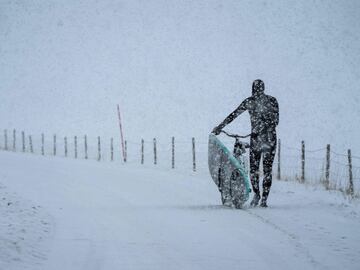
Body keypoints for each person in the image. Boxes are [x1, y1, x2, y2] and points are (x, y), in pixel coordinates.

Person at [212, 79, 279, 207]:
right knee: (260, 170)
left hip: (262, 139)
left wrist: (221, 126)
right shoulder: (268, 101)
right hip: (265, 139)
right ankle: (260, 196)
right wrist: (220, 126)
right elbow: (234, 114)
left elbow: (275, 121)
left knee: (261, 170)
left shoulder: (255, 101)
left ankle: (261, 197)